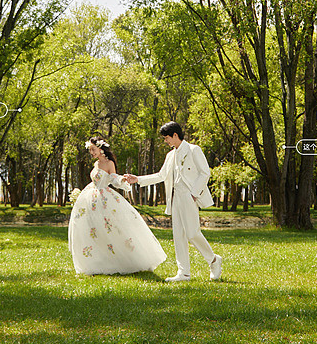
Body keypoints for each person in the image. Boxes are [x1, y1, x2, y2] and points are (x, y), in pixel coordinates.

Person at [123, 121, 222, 282]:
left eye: (167, 138)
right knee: (179, 236)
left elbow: (205, 173)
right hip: (175, 199)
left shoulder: (193, 150)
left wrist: (193, 194)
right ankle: (184, 273)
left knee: (192, 233)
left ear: (175, 135)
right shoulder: (170, 155)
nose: (165, 141)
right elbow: (161, 176)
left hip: (189, 196)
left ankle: (213, 260)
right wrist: (137, 179)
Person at [68, 136, 167, 275]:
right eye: (90, 150)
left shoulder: (109, 163)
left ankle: (120, 260)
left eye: (93, 149)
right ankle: (96, 260)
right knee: (93, 229)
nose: (91, 152)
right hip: (91, 197)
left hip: (105, 199)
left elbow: (113, 178)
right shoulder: (96, 164)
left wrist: (121, 179)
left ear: (101, 148)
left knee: (111, 228)